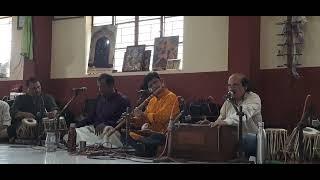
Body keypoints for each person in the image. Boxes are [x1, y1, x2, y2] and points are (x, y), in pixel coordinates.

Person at [199, 73, 263, 157]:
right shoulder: (228, 102)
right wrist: (211, 124)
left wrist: (225, 122)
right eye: (229, 85)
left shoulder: (253, 98)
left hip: (251, 140)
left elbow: (243, 114)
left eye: (235, 85)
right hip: (232, 141)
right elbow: (221, 119)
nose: (231, 88)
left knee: (247, 139)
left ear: (245, 87)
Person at [124, 72, 180, 157]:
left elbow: (163, 117)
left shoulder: (171, 97)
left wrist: (144, 115)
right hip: (150, 133)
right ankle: (145, 146)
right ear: (149, 89)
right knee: (127, 134)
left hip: (164, 135)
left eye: (155, 82)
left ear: (161, 81)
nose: (154, 86)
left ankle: (145, 146)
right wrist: (132, 120)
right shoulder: (152, 100)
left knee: (156, 138)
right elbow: (144, 120)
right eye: (150, 86)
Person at [73, 73, 131, 148]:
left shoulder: (123, 100)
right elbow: (91, 117)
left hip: (111, 131)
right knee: (77, 131)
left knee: (108, 130)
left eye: (103, 87)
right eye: (99, 87)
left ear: (111, 86)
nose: (100, 90)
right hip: (96, 130)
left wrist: (106, 124)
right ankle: (94, 144)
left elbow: (123, 122)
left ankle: (99, 145)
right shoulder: (100, 98)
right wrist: (76, 126)